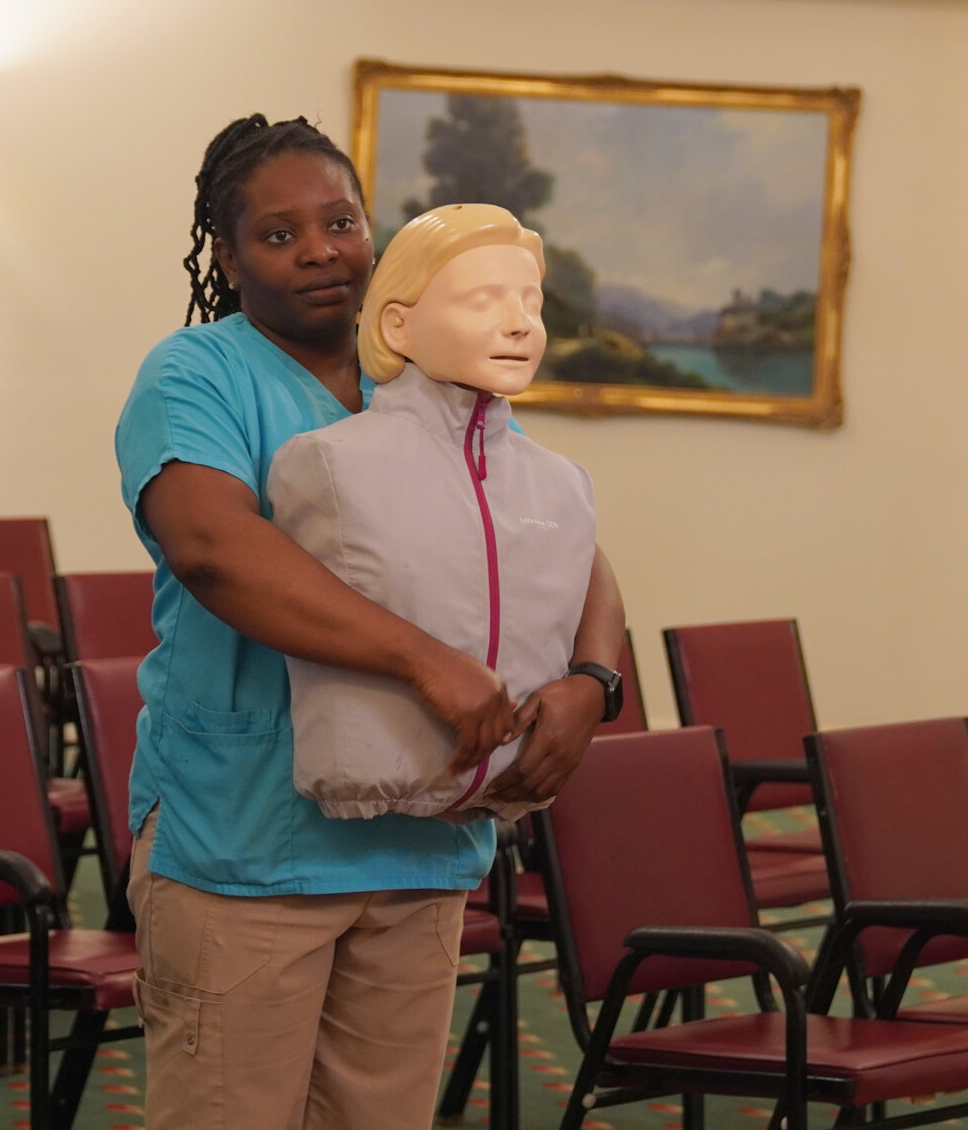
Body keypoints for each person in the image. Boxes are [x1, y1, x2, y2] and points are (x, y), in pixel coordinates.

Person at [114, 115, 625, 1129]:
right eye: (276, 233)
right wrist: (421, 661)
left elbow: (559, 537)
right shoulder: (195, 375)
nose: (318, 250)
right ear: (226, 256)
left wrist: (590, 684)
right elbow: (215, 550)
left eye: (339, 221)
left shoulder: (431, 371)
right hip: (247, 839)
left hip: (421, 833)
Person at [273, 203, 606, 824]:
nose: (520, 325)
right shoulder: (327, 463)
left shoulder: (562, 484)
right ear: (397, 326)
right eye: (483, 300)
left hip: (478, 829)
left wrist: (594, 683)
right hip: (351, 795)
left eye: (531, 303)